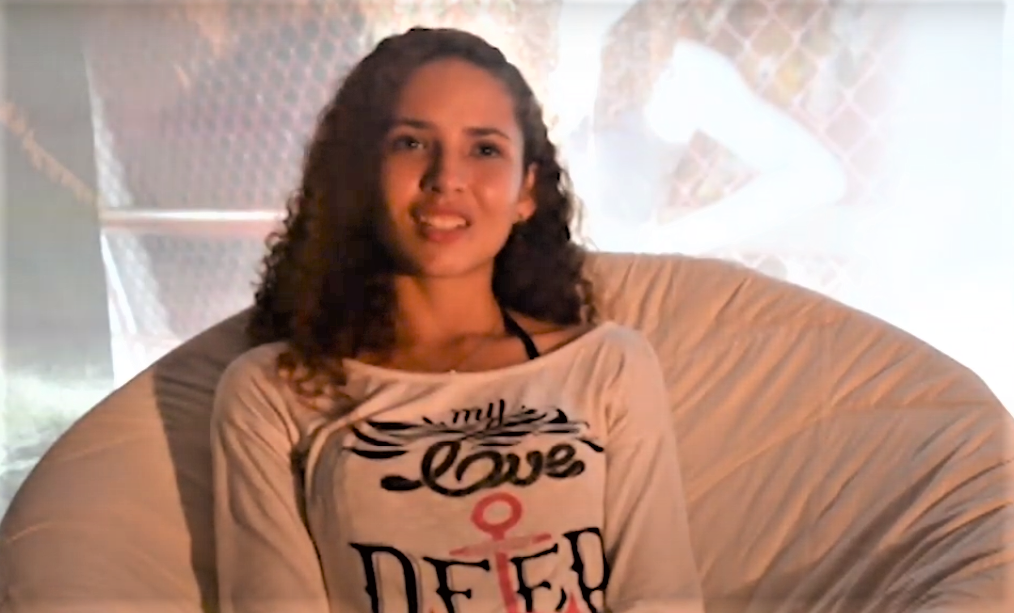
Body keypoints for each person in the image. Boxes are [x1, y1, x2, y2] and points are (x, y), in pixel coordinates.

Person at [211, 27, 704, 613]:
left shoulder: (609, 366)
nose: (447, 177)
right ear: (363, 176)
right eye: (411, 143)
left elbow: (661, 598)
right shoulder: (272, 392)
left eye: (485, 150)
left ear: (526, 191)